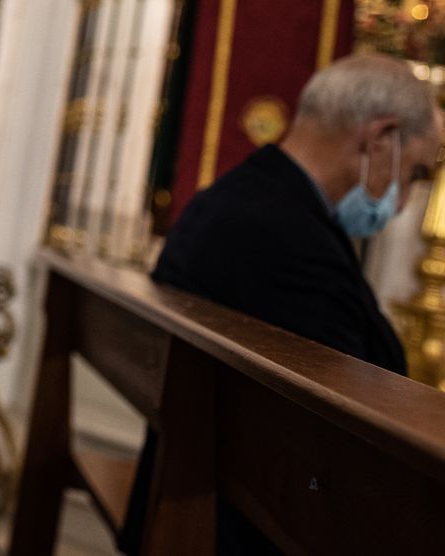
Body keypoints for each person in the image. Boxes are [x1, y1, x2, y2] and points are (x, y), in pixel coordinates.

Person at [122, 53, 441, 555]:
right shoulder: (284, 238)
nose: (402, 202)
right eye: (417, 172)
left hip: (201, 491)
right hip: (244, 528)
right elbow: (364, 421)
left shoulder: (241, 201)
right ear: (381, 139)